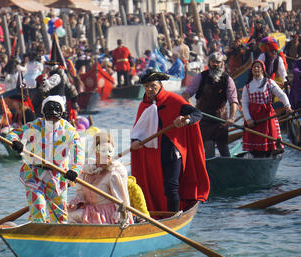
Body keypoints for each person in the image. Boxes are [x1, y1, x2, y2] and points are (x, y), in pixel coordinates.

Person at [130, 69, 210, 213]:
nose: (149, 89)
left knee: (171, 186)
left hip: (173, 152)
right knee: (155, 187)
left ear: (160, 85)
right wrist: (135, 142)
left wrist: (185, 120)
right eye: (146, 86)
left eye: (152, 86)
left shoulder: (174, 100)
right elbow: (139, 130)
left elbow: (197, 114)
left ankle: (174, 218)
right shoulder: (144, 105)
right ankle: (159, 215)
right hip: (154, 155)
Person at [6, 95, 84, 223]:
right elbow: (12, 134)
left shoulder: (69, 131)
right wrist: (15, 142)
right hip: (34, 175)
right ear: (43, 115)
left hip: (58, 178)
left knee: (60, 218)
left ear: (61, 115)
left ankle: (58, 239)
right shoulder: (34, 126)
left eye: (55, 119)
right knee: (39, 209)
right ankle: (37, 233)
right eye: (48, 118)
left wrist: (75, 171)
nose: (51, 121)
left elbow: (79, 155)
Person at [67, 131, 134, 225]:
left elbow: (122, 203)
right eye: (103, 150)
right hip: (90, 211)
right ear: (96, 152)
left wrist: (121, 218)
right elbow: (80, 194)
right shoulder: (87, 173)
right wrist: (75, 204)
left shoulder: (113, 175)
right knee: (70, 215)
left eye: (110, 151)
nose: (108, 155)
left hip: (108, 215)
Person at [182, 52, 239, 158]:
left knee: (224, 150)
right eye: (213, 62)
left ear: (222, 64)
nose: (215, 64)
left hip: (221, 120)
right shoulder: (201, 77)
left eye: (218, 62)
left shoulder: (228, 80)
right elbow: (186, 94)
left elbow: (233, 101)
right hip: (204, 120)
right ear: (209, 63)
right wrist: (194, 110)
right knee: (209, 150)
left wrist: (231, 118)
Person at [241, 60, 293, 157]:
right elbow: (244, 104)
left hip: (267, 117)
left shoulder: (269, 82)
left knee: (271, 142)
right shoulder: (247, 87)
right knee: (256, 147)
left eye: (258, 67)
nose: (256, 69)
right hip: (253, 119)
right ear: (251, 70)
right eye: (254, 67)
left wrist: (287, 106)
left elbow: (281, 95)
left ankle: (270, 153)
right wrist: (248, 119)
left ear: (262, 69)